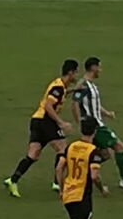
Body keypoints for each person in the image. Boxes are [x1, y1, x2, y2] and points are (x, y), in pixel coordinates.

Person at [44, 117, 108, 219]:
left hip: (68, 194)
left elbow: (59, 167)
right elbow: (94, 176)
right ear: (94, 131)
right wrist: (102, 189)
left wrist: (61, 186)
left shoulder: (71, 146)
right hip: (81, 196)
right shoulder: (93, 151)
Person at [4, 59, 78, 199]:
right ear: (70, 72)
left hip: (36, 120)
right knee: (63, 149)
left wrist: (74, 90)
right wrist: (61, 122)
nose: (76, 76)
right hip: (45, 121)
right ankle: (57, 183)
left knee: (33, 154)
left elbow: (59, 95)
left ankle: (13, 180)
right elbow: (49, 106)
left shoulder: (59, 85)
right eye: (76, 73)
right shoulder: (58, 88)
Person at [72, 56, 123, 189]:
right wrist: (80, 122)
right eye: (99, 67)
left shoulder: (91, 85)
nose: (100, 70)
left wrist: (107, 113)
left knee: (103, 155)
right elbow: (74, 103)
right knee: (119, 147)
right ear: (93, 68)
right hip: (96, 127)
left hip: (98, 124)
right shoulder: (83, 85)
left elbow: (95, 104)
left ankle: (78, 174)